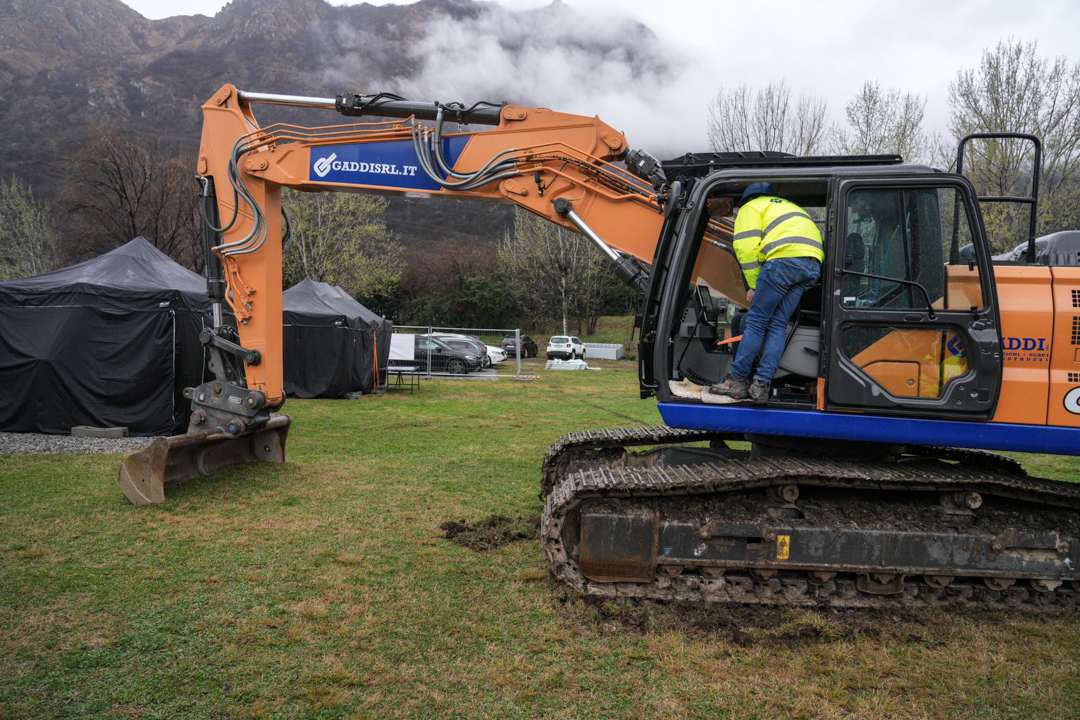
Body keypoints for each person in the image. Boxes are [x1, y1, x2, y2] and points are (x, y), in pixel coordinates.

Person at [705, 183, 822, 405]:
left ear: (748, 199)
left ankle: (737, 380)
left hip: (784, 260)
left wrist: (753, 285)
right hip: (811, 265)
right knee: (777, 324)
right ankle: (761, 386)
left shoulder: (752, 208)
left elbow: (746, 249)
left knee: (757, 322)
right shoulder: (787, 207)